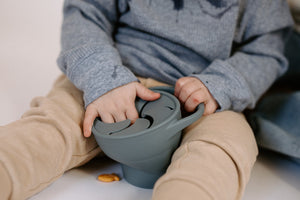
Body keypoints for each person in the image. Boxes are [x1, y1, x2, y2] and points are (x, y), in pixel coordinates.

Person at [0, 0, 293, 199]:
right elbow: (86, 12)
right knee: (52, 127)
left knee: (223, 146)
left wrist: (221, 86)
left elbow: (267, 50)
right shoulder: (103, 78)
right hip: (109, 80)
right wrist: (102, 78)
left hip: (204, 99)